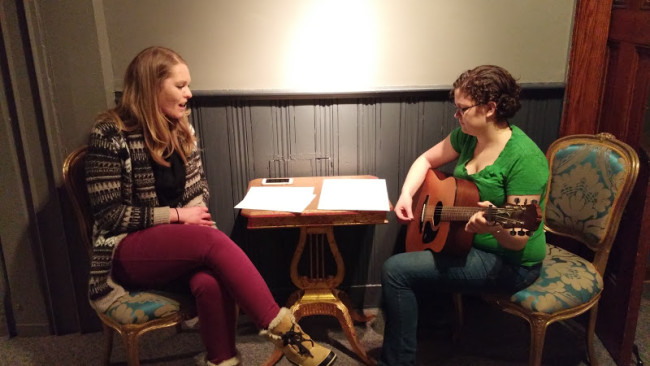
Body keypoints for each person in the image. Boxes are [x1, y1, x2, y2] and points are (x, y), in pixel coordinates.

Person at [84, 46, 337, 366]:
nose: (188, 94)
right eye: (180, 86)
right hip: (124, 251)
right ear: (151, 86)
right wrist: (177, 216)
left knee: (211, 280)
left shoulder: (181, 129)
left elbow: (197, 190)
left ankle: (223, 360)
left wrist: (190, 217)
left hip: (180, 244)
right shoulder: (110, 133)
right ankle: (286, 335)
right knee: (209, 242)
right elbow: (110, 215)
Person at [379, 65, 549, 365]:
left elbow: (519, 239)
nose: (456, 116)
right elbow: (425, 160)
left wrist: (492, 226)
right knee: (406, 258)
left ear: (490, 109)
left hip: (510, 263)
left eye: (462, 109)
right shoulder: (468, 136)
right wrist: (406, 194)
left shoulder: (526, 159)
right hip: (465, 242)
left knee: (396, 271)